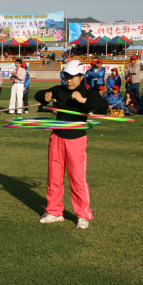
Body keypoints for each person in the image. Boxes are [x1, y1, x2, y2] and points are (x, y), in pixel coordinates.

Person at [34, 60, 108, 229]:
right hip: (57, 138)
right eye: (66, 76)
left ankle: (83, 215)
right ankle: (54, 212)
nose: (68, 80)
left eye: (72, 77)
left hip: (76, 139)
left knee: (77, 178)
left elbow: (103, 105)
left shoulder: (85, 92)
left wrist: (83, 101)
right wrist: (44, 97)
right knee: (54, 177)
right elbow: (39, 94)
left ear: (81, 77)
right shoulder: (59, 90)